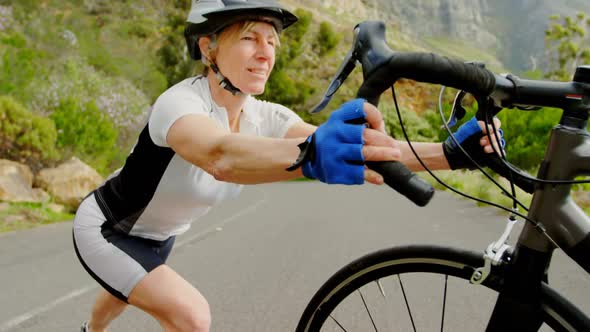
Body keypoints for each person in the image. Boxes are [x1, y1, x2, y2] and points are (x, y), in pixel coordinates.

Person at [73, 0, 504, 331]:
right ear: (208, 47)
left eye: (272, 41)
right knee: (192, 317)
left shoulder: (267, 117)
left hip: (161, 236)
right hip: (110, 228)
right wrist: (311, 155)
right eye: (249, 38)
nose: (265, 53)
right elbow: (220, 155)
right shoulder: (180, 104)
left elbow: (363, 146)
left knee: (124, 292)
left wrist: (448, 154)